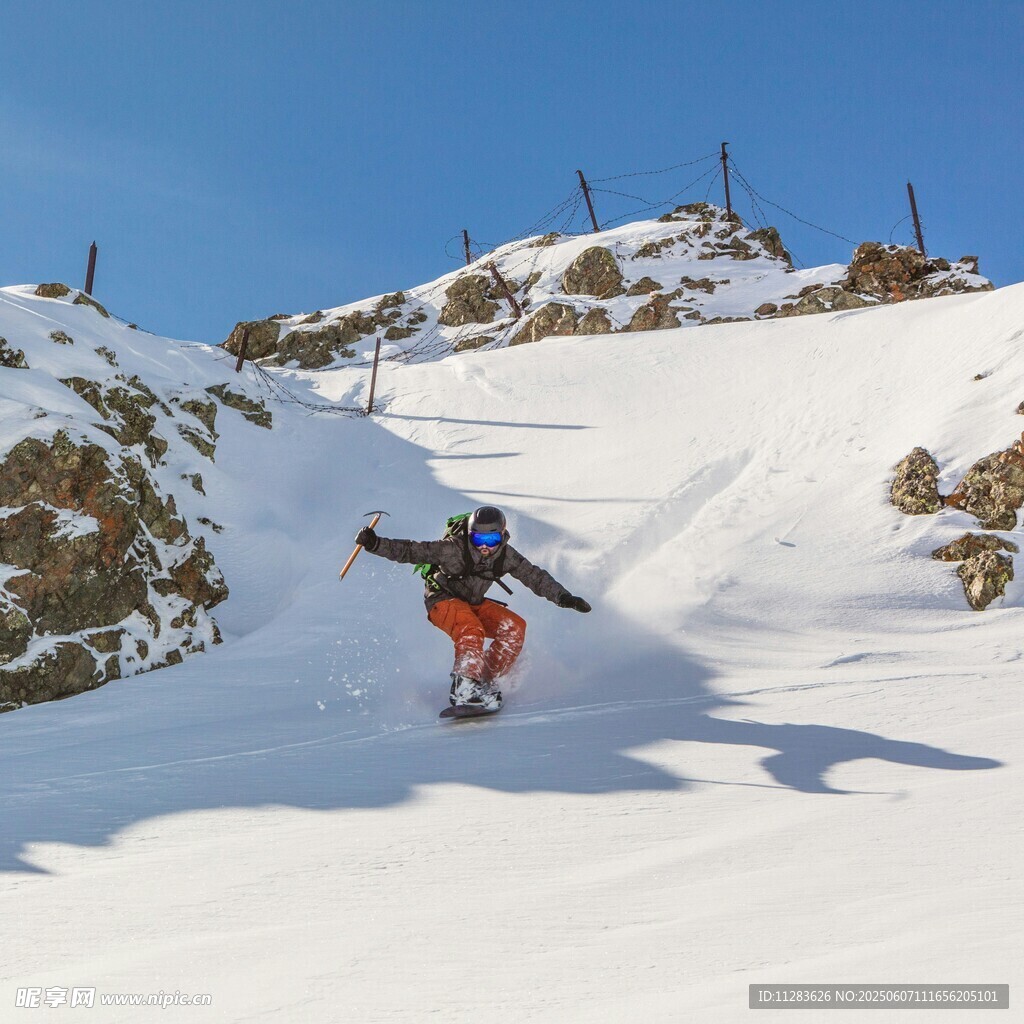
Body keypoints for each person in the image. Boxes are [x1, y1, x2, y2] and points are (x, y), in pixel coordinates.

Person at [355, 506, 590, 708]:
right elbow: (412, 550)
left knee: (514, 628)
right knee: (470, 628)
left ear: (503, 536)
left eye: (492, 540)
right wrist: (376, 544)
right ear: (470, 535)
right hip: (441, 600)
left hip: (471, 602)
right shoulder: (453, 549)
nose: (485, 547)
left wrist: (563, 597)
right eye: (478, 540)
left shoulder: (506, 556)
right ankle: (464, 689)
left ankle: (484, 681)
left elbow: (534, 576)